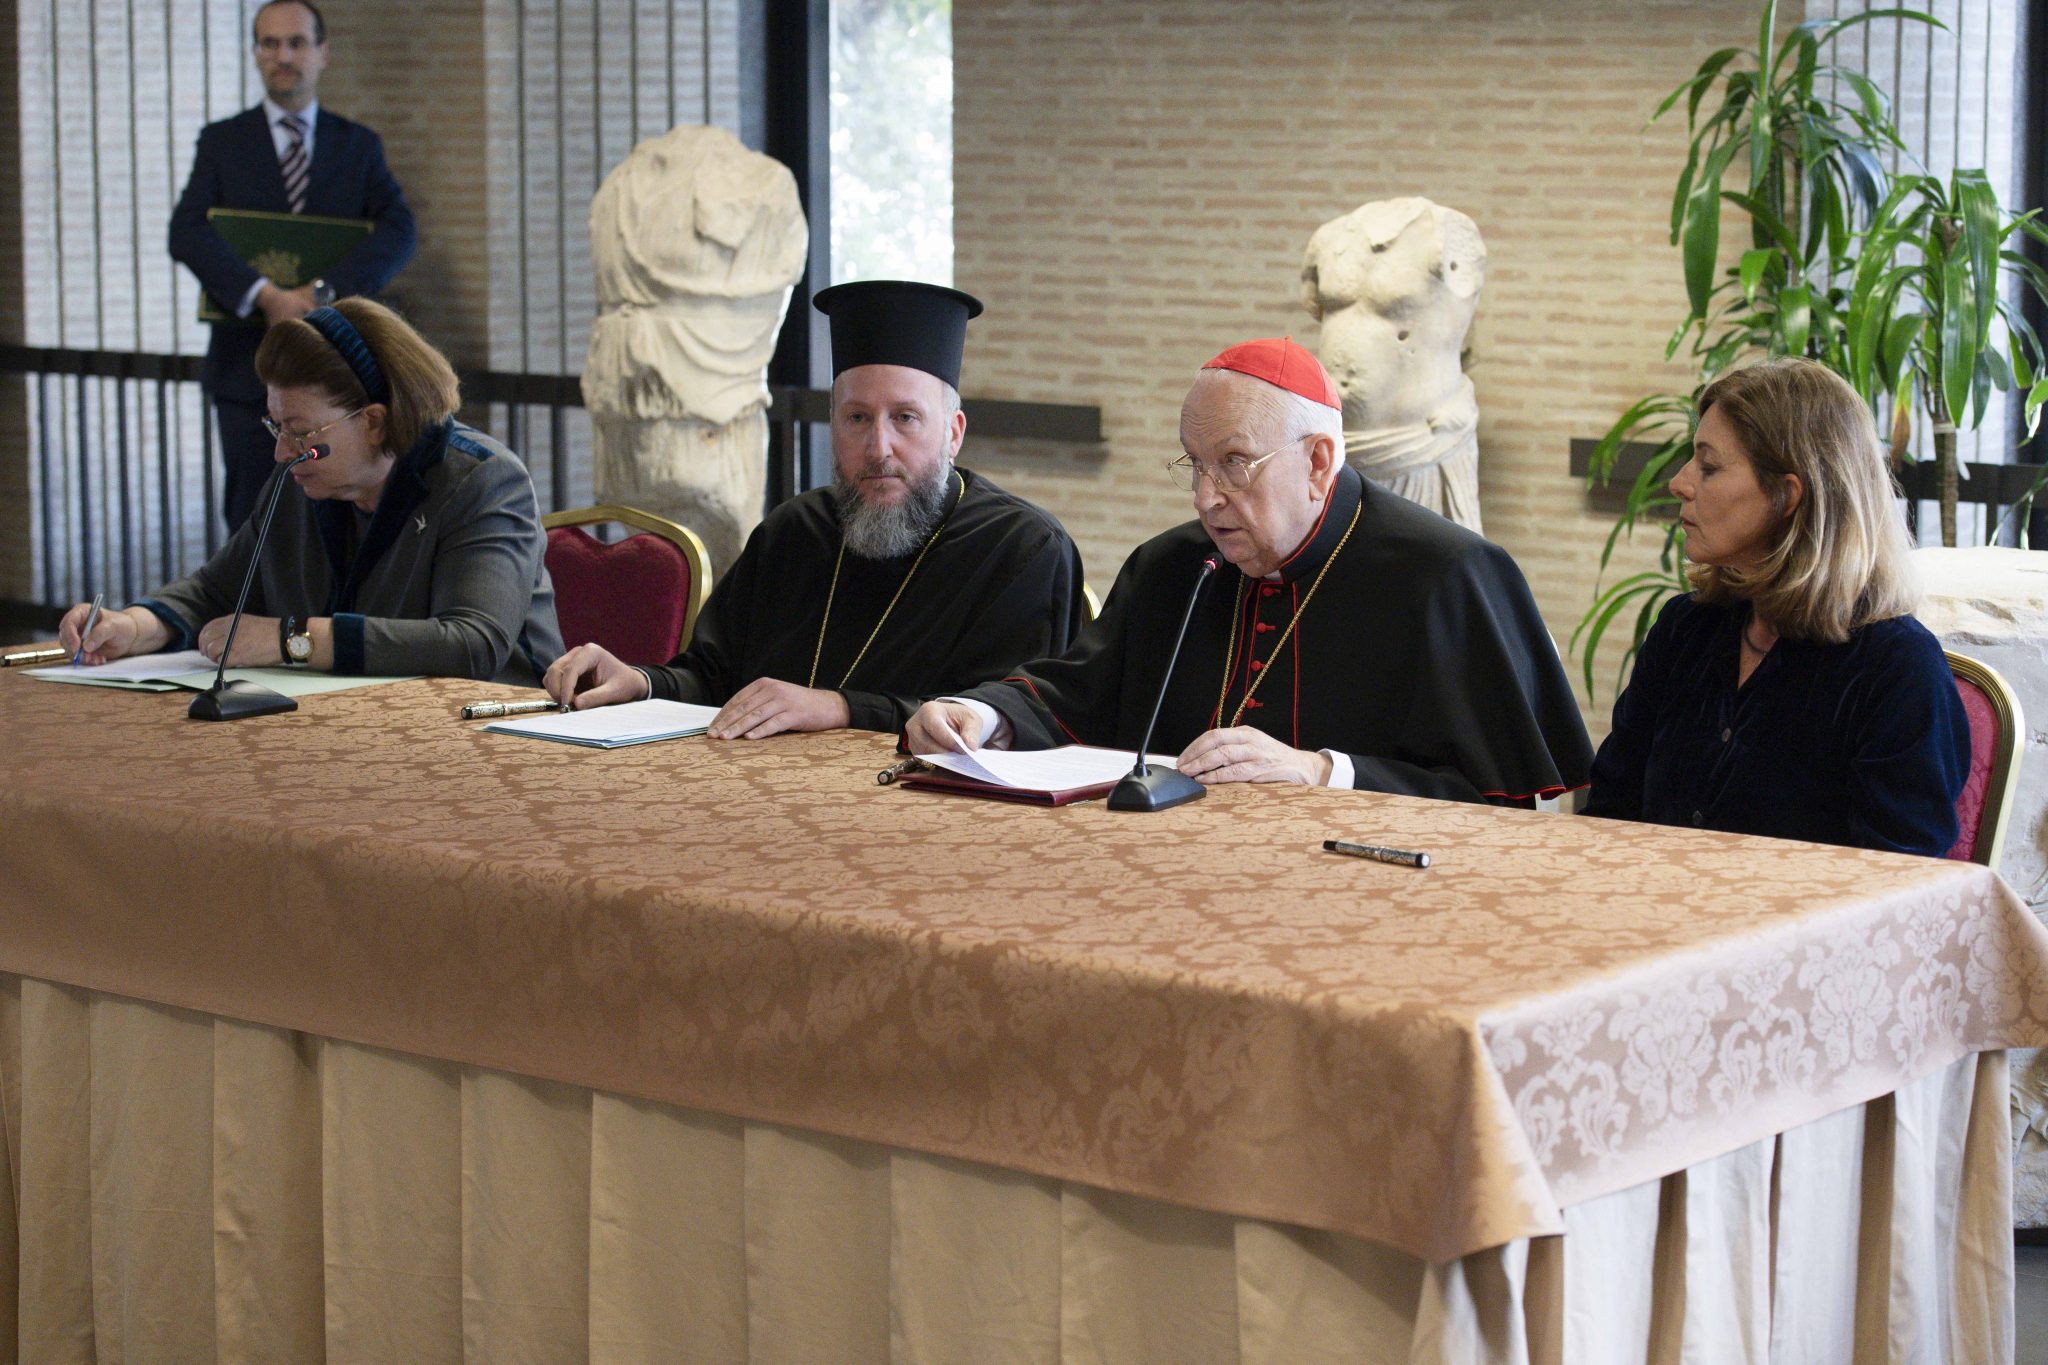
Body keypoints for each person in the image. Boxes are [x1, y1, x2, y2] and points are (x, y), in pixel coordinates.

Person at [907, 338, 1591, 802]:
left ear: (1319, 461)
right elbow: (1076, 698)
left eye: (1234, 463)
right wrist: (980, 716)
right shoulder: (1175, 566)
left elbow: (1498, 798)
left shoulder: (1447, 575)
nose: (1204, 498)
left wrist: (1320, 771)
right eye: (1195, 464)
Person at [544, 280, 1085, 738]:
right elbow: (713, 678)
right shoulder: (793, 531)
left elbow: (1010, 718)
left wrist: (841, 708)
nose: (878, 448)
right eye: (857, 418)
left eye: (905, 418)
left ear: (953, 433)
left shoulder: (1022, 548)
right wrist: (639, 682)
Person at [60, 299, 562, 685]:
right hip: (350, 726)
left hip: (490, 729)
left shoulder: (483, 481)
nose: (283, 451)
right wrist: (134, 626)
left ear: (374, 422)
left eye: (300, 432)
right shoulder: (301, 480)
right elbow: (217, 591)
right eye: (276, 427)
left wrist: (292, 640)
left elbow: (472, 643)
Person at [1581, 357, 1968, 854]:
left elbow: (1900, 883)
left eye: (1709, 467)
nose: (1679, 482)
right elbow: (1608, 817)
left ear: (1787, 495)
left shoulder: (1898, 670)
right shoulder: (1684, 629)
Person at [169, 0, 417, 533]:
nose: (283, 56)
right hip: (246, 375)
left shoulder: (358, 146)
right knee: (253, 522)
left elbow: (400, 230)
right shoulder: (221, 143)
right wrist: (265, 295)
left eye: (297, 43)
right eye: (270, 43)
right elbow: (185, 231)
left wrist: (323, 293)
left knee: (340, 525)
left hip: (341, 380)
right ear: (256, 53)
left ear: (323, 52)